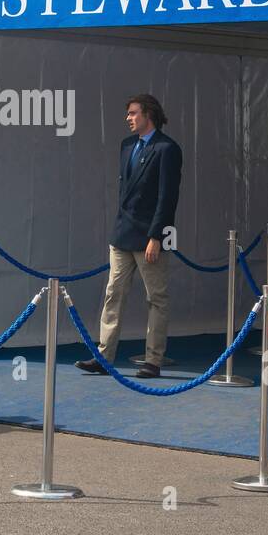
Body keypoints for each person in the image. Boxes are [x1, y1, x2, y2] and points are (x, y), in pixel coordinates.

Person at [76, 94, 183, 379]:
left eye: (133, 113)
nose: (128, 118)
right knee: (113, 293)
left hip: (149, 236)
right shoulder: (126, 146)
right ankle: (104, 355)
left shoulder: (167, 149)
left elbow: (167, 197)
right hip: (123, 234)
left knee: (156, 298)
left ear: (149, 114)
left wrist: (157, 236)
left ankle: (153, 360)